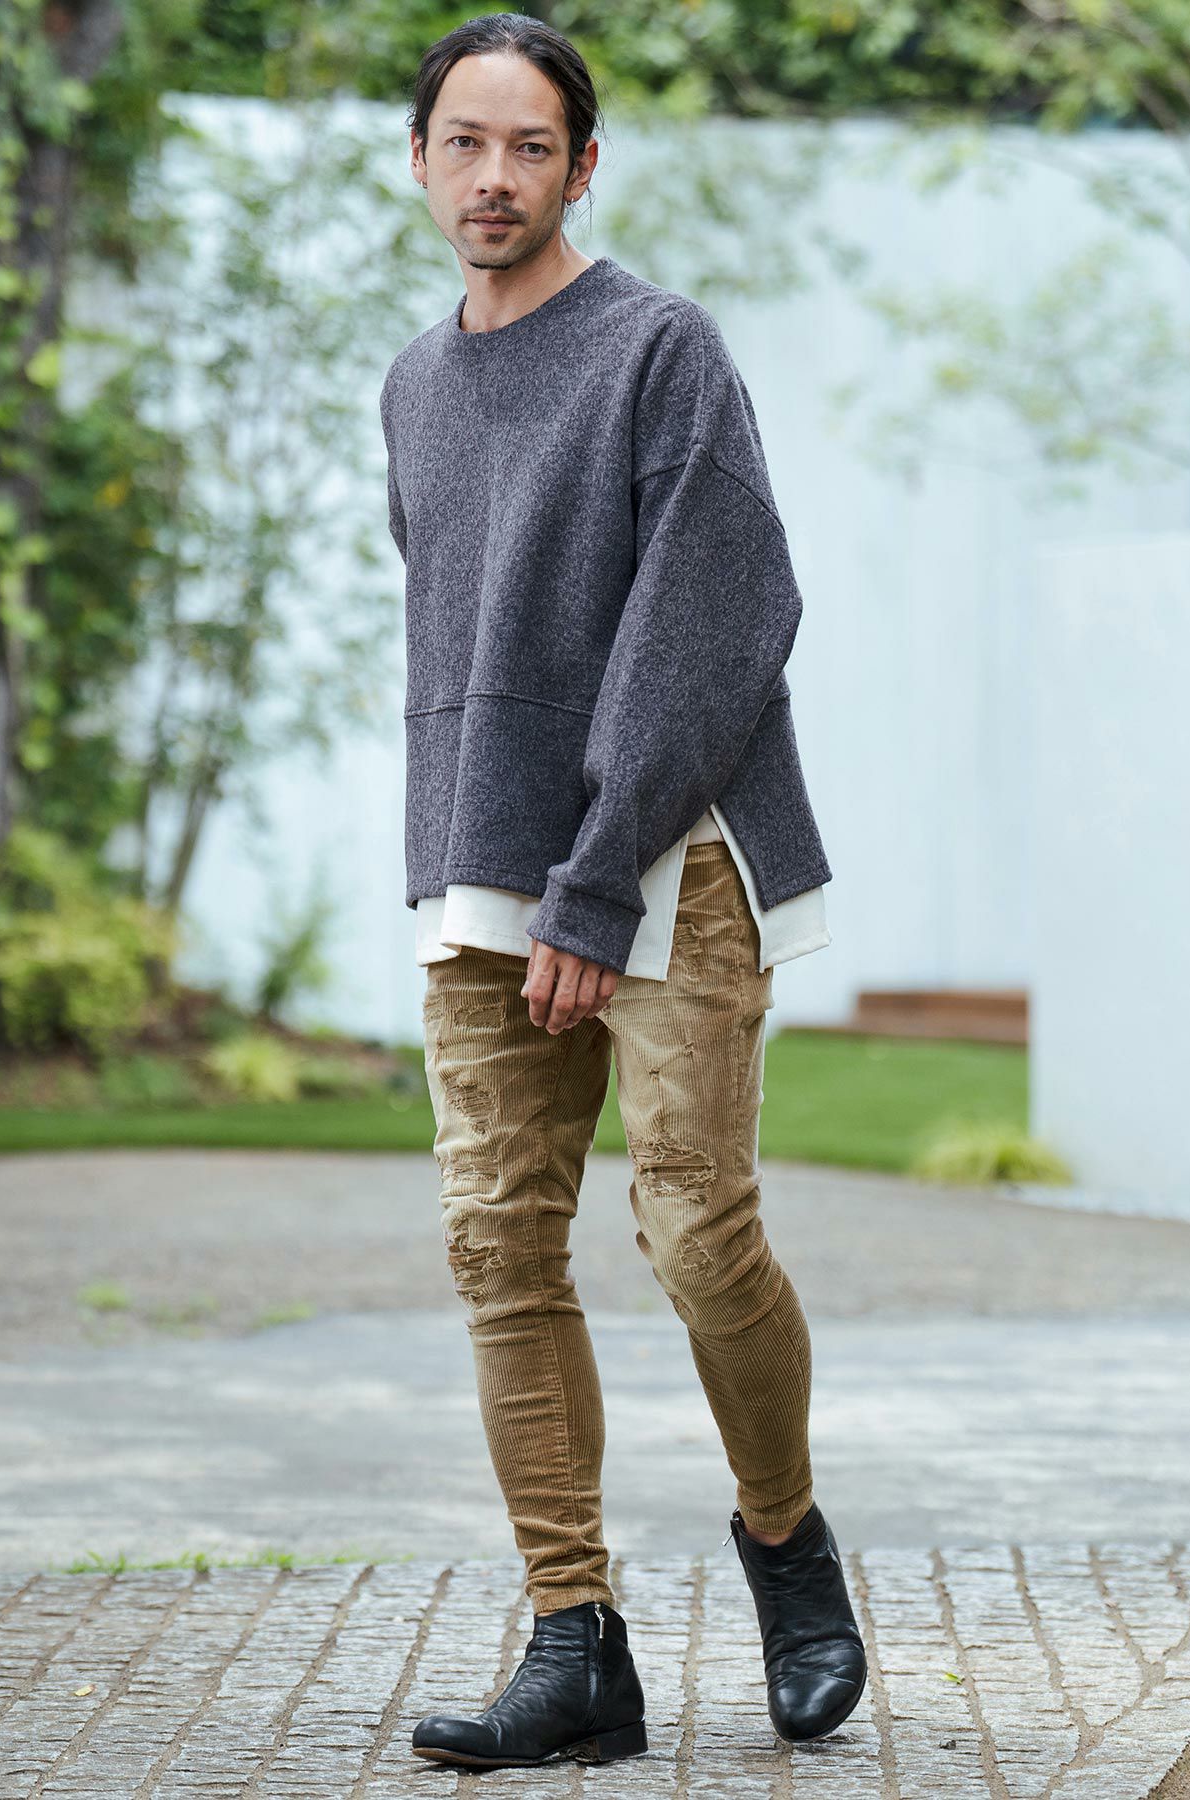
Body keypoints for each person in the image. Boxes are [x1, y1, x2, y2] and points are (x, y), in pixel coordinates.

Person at [378, 11, 868, 1771]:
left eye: (532, 146)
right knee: (499, 1245)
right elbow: (462, 646)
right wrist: (475, 870)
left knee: (694, 1227)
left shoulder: (661, 349)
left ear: (583, 167)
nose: (494, 176)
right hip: (487, 859)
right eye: (464, 142)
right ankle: (573, 1642)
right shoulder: (414, 384)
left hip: (671, 849)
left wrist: (594, 884)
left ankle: (784, 1538)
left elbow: (723, 618)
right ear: (419, 160)